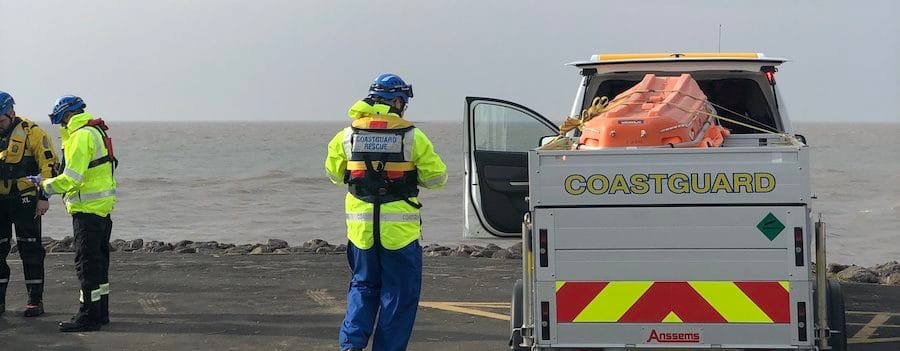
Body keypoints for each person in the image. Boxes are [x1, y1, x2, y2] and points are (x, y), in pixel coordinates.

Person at [325, 73, 447, 351]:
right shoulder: (413, 137)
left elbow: (334, 174)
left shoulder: (346, 136)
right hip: (400, 234)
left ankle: (351, 346)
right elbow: (437, 178)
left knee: (362, 287)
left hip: (362, 231)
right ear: (397, 101)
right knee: (399, 296)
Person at [32, 95, 117, 332]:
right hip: (101, 209)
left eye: (60, 120)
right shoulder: (95, 131)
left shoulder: (80, 136)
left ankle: (88, 316)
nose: (61, 125)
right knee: (99, 264)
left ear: (66, 115)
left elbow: (72, 178)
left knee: (86, 265)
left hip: (86, 210)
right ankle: (101, 313)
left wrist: (44, 185)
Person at [0, 91, 59, 317]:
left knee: (30, 249)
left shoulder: (32, 132)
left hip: (25, 199)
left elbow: (49, 166)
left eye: (2, 121)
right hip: (0, 201)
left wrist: (43, 197)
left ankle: (35, 301)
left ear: (11, 113)